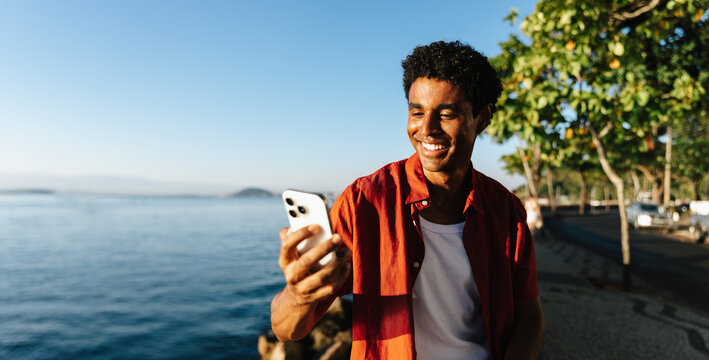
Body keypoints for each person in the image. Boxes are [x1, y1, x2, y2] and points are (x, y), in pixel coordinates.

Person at [271, 41, 545, 360]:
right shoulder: (365, 203)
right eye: (417, 112)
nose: (426, 129)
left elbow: (530, 315)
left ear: (482, 118)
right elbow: (286, 329)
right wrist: (299, 294)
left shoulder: (506, 210)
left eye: (446, 114)